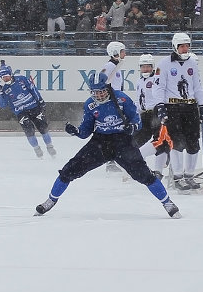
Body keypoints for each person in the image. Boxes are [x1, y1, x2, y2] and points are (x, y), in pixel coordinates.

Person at [36, 73, 180, 219]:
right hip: (100, 142)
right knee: (69, 169)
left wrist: (132, 127)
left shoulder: (122, 99)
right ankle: (50, 200)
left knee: (144, 175)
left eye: (101, 91)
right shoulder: (90, 105)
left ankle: (167, 203)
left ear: (108, 88)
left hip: (123, 142)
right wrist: (76, 132)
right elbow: (86, 131)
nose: (98, 95)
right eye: (95, 92)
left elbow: (137, 120)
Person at [154, 32, 203, 191]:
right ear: (175, 47)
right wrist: (161, 106)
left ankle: (189, 176)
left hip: (190, 107)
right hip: (173, 107)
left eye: (187, 46)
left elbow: (197, 87)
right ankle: (177, 176)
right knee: (177, 142)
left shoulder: (192, 63)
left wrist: (202, 106)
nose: (185, 49)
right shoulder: (164, 64)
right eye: (182, 46)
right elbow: (159, 88)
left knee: (193, 142)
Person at [0, 64, 56, 158]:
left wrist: (40, 100)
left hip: (33, 107)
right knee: (29, 131)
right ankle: (37, 149)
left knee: (42, 127)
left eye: (6, 76)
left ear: (11, 74)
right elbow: (3, 105)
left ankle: (50, 146)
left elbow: (33, 89)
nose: (5, 79)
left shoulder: (22, 79)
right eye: (3, 77)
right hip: (20, 112)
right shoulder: (5, 89)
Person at [133, 53, 171, 177]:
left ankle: (159, 168)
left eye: (148, 67)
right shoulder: (139, 81)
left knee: (159, 140)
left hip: (155, 113)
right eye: (143, 67)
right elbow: (139, 99)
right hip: (144, 115)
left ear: (152, 67)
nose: (145, 69)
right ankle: (134, 165)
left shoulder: (156, 80)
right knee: (135, 140)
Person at [99, 40, 127, 172]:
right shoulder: (109, 65)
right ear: (115, 53)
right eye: (122, 52)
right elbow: (101, 79)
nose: (125, 54)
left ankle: (113, 159)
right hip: (111, 103)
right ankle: (110, 161)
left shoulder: (116, 66)